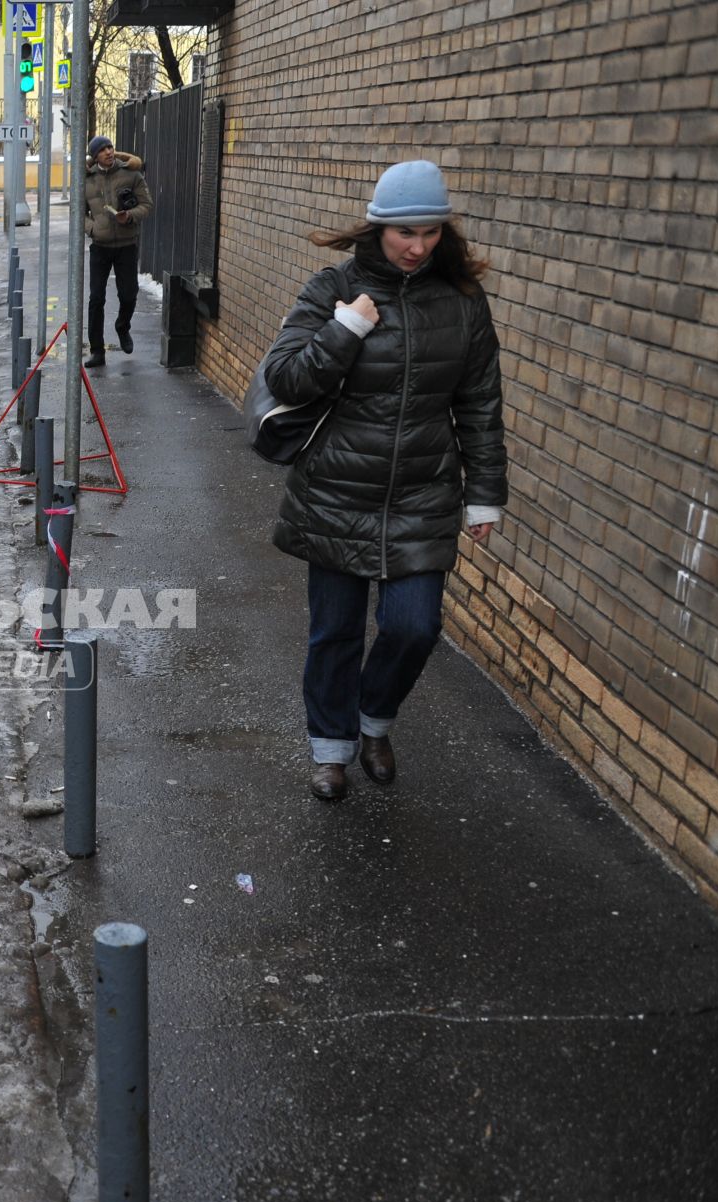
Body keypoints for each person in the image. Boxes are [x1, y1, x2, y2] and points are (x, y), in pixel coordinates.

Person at [262, 159, 505, 801]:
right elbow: (286, 378)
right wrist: (345, 329)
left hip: (424, 491)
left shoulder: (462, 302)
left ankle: (374, 722)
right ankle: (331, 750)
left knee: (414, 627)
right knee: (335, 631)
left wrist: (484, 495)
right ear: (378, 228)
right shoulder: (334, 287)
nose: (417, 246)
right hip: (337, 490)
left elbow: (480, 404)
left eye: (429, 233)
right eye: (405, 233)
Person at [80, 136, 153, 369]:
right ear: (95, 156)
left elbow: (147, 205)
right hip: (100, 247)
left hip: (126, 244)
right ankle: (97, 350)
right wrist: (93, 229)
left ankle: (123, 326)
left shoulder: (131, 174)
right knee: (96, 299)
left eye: (110, 147)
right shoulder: (86, 179)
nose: (109, 152)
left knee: (129, 294)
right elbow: (77, 212)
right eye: (102, 150)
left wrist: (129, 215)